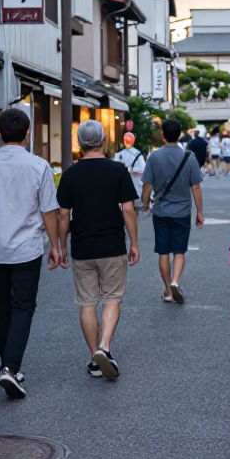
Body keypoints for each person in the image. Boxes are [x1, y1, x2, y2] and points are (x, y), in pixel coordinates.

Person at [0, 108, 63, 400]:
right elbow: (48, 211)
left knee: (1, 307)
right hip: (27, 249)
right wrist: (55, 246)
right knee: (23, 307)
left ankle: (10, 366)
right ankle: (10, 367)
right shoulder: (39, 165)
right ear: (28, 134)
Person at [57, 120, 139, 381]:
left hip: (82, 246)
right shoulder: (117, 171)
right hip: (112, 246)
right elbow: (127, 209)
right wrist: (134, 242)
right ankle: (104, 347)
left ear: (80, 144)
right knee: (112, 298)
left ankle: (95, 357)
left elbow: (62, 214)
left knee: (87, 302)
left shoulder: (70, 174)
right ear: (104, 141)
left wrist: (60, 246)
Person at [140, 119, 204, 304]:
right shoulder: (189, 157)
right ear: (180, 134)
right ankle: (175, 281)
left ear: (162, 134)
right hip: (182, 211)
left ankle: (168, 290)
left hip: (161, 211)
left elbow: (147, 185)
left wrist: (145, 203)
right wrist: (200, 212)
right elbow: (196, 187)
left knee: (163, 252)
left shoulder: (154, 157)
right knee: (179, 251)